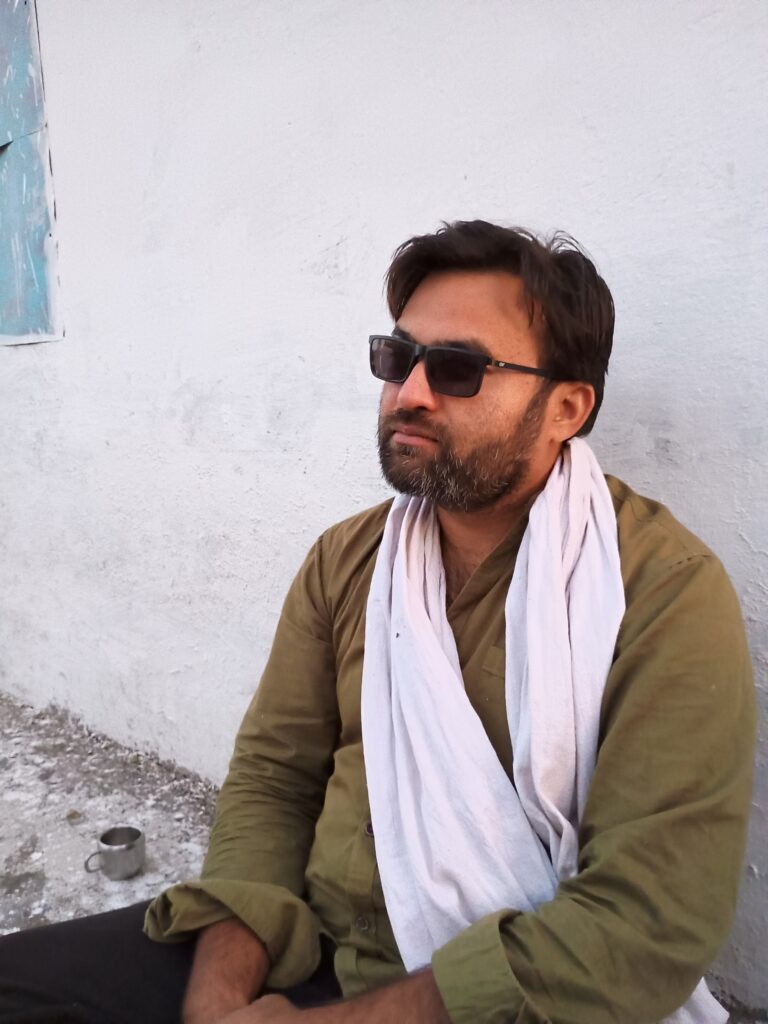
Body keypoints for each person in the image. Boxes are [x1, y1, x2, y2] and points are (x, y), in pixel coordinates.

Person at [0, 221, 755, 1024]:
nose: (410, 393)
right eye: (398, 358)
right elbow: (274, 778)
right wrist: (218, 995)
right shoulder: (348, 560)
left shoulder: (661, 592)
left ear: (565, 408)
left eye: (459, 368)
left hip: (495, 998)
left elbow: (647, 921)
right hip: (308, 946)